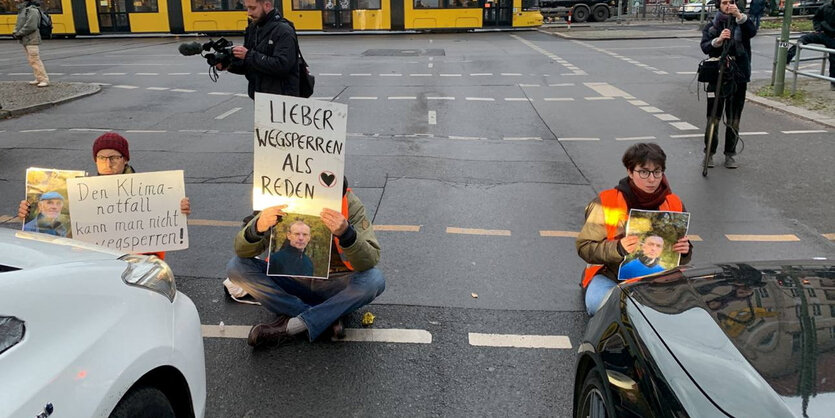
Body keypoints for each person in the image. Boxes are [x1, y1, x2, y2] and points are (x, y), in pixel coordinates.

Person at [226, 181, 385, 347]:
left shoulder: (349, 202)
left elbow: (370, 259)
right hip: (290, 280)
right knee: (236, 267)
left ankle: (293, 325)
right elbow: (242, 251)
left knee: (374, 280)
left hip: (334, 285)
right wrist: (257, 228)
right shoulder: (277, 195)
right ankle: (324, 318)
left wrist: (347, 234)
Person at [17, 133, 191, 257]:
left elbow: (166, 224)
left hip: (140, 262)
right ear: (95, 160)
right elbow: (59, 234)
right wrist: (27, 214)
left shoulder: (149, 191)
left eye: (114, 157)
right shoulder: (82, 192)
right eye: (102, 157)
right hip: (97, 262)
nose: (108, 163)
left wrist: (178, 209)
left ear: (125, 159)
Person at [576, 143, 692, 316]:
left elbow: (677, 257)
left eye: (657, 172)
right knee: (597, 305)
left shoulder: (673, 203)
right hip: (611, 276)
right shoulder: (608, 202)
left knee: (686, 307)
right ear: (630, 172)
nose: (652, 179)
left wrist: (685, 251)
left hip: (656, 279)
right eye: (644, 172)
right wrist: (618, 248)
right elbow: (585, 247)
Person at [701, 0, 757, 169]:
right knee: (713, 119)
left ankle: (729, 155)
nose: (727, 6)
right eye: (724, 2)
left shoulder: (742, 23)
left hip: (738, 76)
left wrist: (739, 16)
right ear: (719, 5)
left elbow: (752, 32)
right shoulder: (712, 25)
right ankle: (709, 154)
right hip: (717, 75)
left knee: (734, 119)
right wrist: (718, 40)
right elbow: (705, 47)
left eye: (730, 2)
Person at [216, 0, 300, 99]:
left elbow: (282, 65)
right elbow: (251, 65)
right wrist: (228, 65)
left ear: (267, 5)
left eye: (252, 8)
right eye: (247, 8)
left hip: (282, 99)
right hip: (261, 97)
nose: (249, 13)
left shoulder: (284, 30)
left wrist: (248, 55)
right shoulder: (254, 28)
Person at [786, 0, 835, 91]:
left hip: (832, 37)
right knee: (802, 40)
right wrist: (818, 29)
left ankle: (833, 82)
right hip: (824, 33)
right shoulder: (825, 7)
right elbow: (816, 18)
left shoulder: (826, 7)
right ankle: (787, 58)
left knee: (833, 59)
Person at [12, 0, 48, 87]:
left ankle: (44, 79)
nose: (15, 0)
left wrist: (19, 33)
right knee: (31, 60)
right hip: (26, 38)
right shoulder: (23, 9)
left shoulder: (32, 10)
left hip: (32, 38)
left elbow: (31, 26)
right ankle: (38, 78)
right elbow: (20, 23)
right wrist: (15, 31)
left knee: (35, 59)